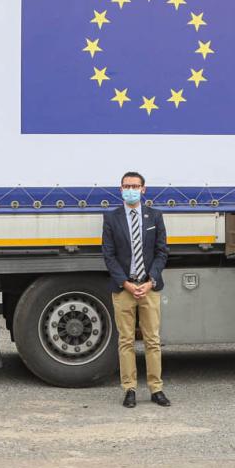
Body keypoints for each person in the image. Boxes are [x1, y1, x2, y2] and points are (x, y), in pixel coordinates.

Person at [100, 170, 170, 408]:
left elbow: (162, 252)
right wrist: (127, 283)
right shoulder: (111, 218)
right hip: (124, 288)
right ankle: (129, 389)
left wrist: (150, 281)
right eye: (126, 186)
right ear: (121, 190)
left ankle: (156, 388)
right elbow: (108, 256)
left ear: (143, 189)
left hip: (149, 287)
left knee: (152, 340)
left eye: (135, 185)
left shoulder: (155, 216)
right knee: (126, 341)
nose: (130, 189)